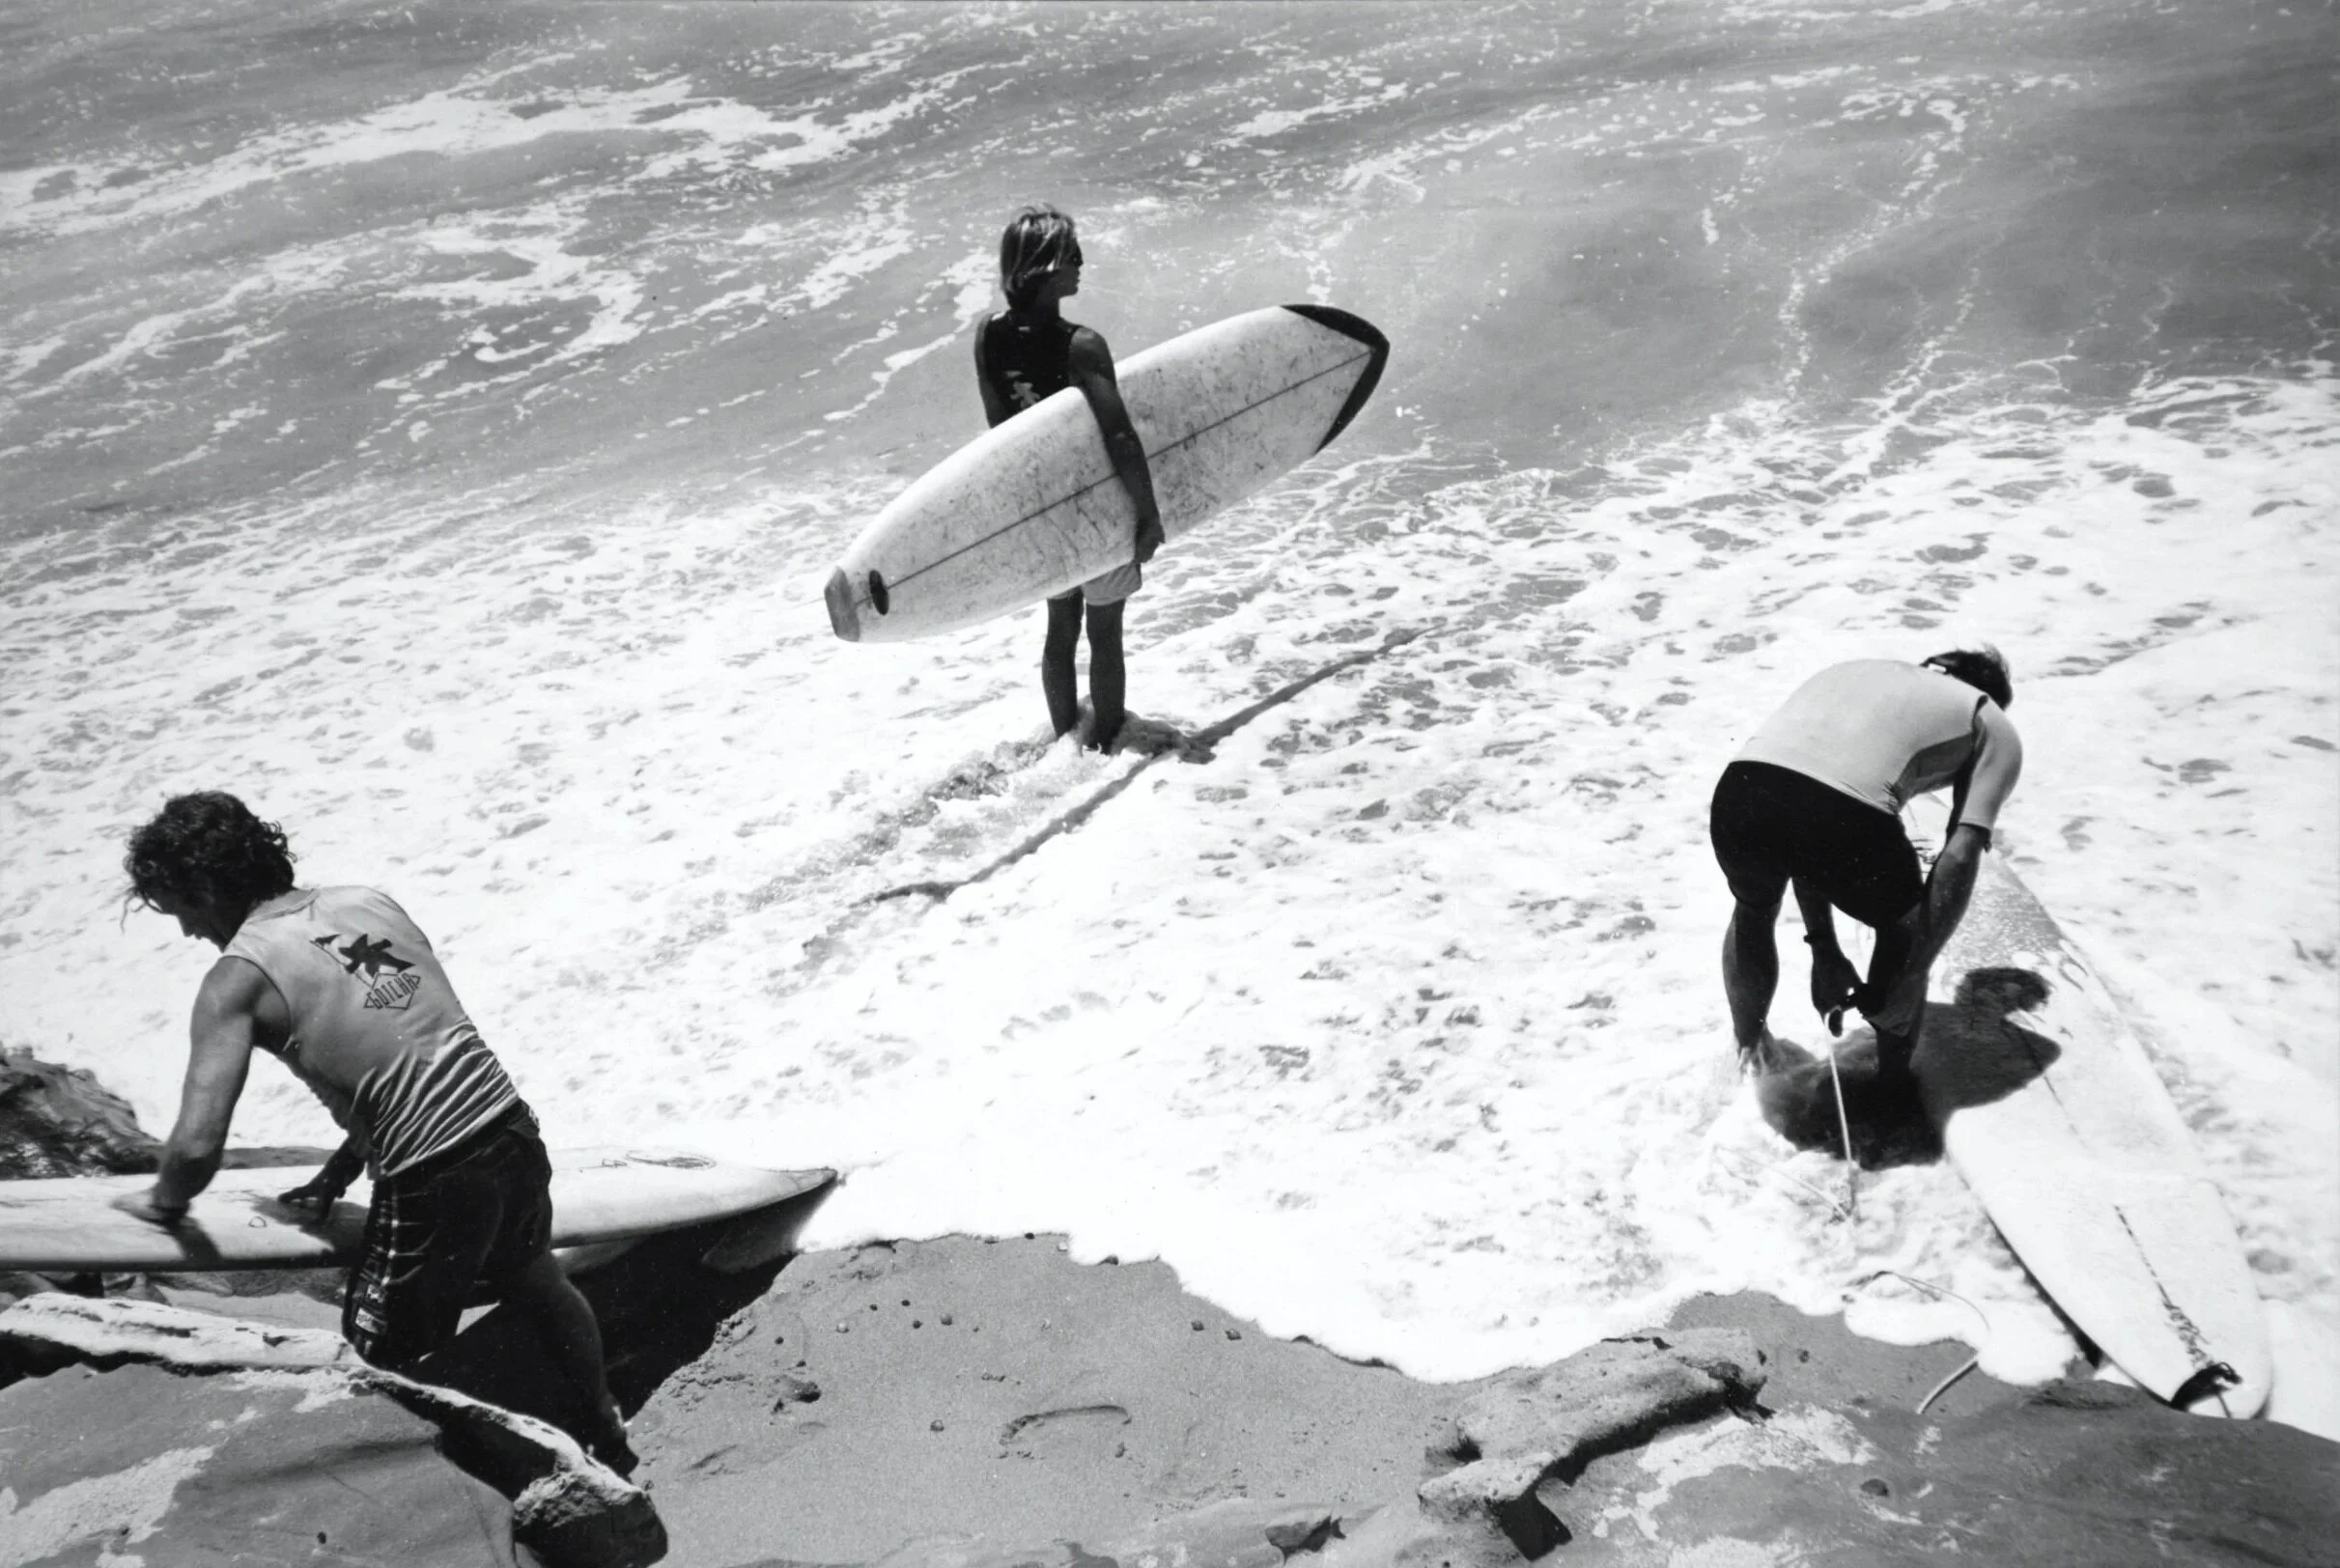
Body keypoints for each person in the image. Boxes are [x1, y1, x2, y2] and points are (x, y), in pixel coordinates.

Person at [112, 792, 634, 1473]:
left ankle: (461, 1500)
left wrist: (160, 1205)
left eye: (180, 908)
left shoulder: (235, 979)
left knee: (377, 1361)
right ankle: (604, 1428)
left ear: (205, 886)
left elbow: (195, 1149)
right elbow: (405, 1052)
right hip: (508, 1127)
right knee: (538, 1284)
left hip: (433, 1177)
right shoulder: (368, 903)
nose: (185, 931)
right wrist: (337, 1174)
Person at [1708, 648, 2023, 1078]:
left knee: (1753, 912)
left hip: (1739, 792)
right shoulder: (1989, 718)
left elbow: (1805, 792)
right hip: (1838, 812)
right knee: (1907, 929)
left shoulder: (1850, 669)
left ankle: (1749, 1054)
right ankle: (1890, 1098)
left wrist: (1825, 950)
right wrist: (1913, 973)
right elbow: (1961, 852)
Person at [974, 203, 1164, 752]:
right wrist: (1149, 514)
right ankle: (1105, 743)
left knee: (1060, 630)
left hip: (1040, 505)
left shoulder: (989, 336)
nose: (1081, 262)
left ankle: (1066, 743)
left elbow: (998, 428)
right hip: (1095, 507)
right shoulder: (1081, 344)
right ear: (1044, 266)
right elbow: (1120, 437)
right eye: (1070, 255)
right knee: (1104, 633)